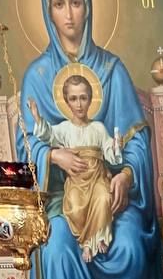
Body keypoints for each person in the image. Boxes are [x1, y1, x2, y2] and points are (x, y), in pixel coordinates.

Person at [18, 0, 163, 279]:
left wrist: (125, 175)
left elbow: (134, 142)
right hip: (61, 199)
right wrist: (54, 155)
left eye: (76, 2)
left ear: (89, 7)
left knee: (130, 247)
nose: (68, 14)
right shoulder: (37, 77)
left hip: (111, 196)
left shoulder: (112, 69)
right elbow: (25, 147)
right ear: (48, 12)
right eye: (59, 4)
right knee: (58, 250)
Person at [28, 78, 122, 264]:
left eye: (83, 98)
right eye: (73, 99)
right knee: (75, 206)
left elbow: (110, 155)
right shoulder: (64, 128)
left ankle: (98, 238)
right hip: (77, 180)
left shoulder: (98, 128)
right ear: (67, 101)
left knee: (103, 197)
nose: (79, 104)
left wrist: (116, 146)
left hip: (97, 177)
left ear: (90, 99)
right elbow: (48, 135)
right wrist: (37, 118)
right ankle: (85, 241)